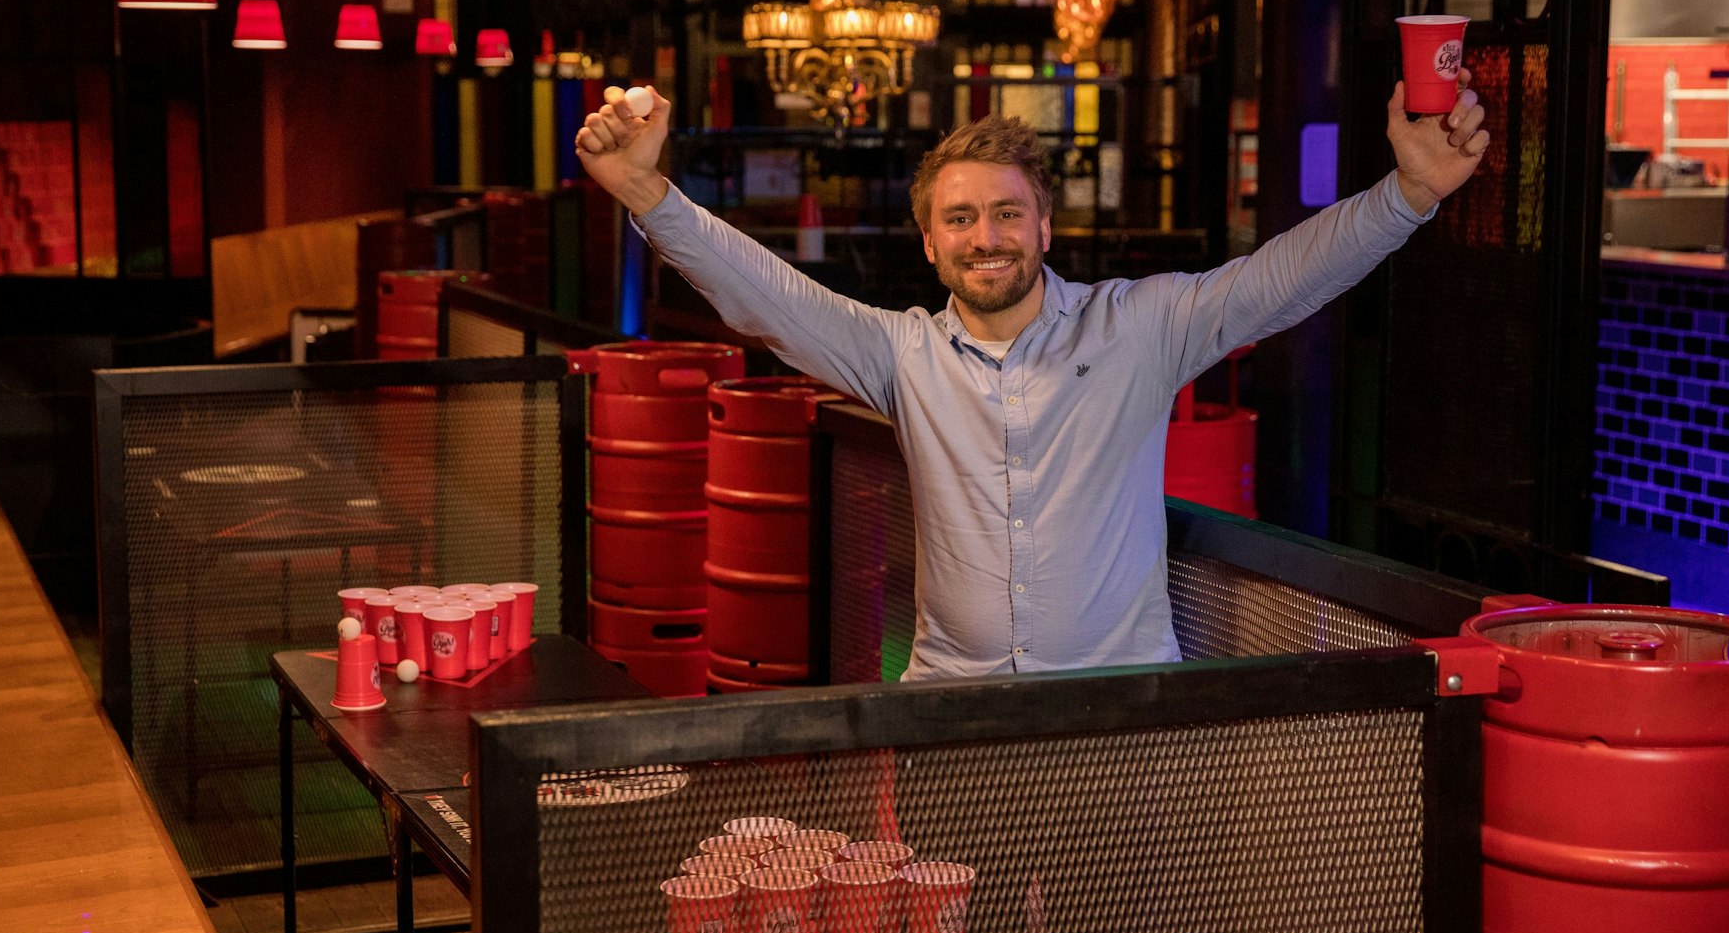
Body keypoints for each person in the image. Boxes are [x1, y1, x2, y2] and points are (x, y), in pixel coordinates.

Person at [576, 77, 1488, 682]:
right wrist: (647, 193)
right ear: (930, 243)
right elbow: (766, 296)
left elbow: (1284, 279)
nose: (987, 236)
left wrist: (1408, 195)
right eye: (961, 218)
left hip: (1117, 721)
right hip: (950, 716)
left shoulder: (1139, 327)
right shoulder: (903, 353)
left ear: (1045, 225)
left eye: (1008, 212)